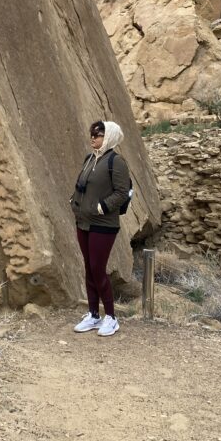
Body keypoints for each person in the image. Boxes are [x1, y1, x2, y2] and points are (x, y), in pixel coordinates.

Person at [70, 119, 131, 337]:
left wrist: (102, 207)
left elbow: (122, 192)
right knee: (88, 268)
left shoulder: (116, 162)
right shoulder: (90, 159)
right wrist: (74, 203)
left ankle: (111, 318)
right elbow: (83, 186)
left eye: (98, 134)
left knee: (97, 268)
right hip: (83, 222)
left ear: (110, 137)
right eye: (92, 134)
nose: (93, 137)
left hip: (103, 224)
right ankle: (94, 315)